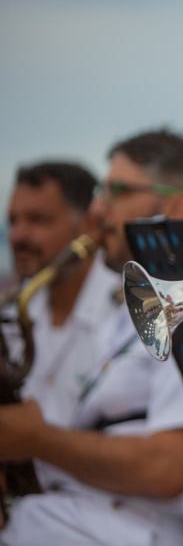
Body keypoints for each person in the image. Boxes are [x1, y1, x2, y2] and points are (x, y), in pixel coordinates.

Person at [0, 128, 183, 546]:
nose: (97, 211)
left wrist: (35, 439)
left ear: (176, 206)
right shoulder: (128, 312)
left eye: (115, 192)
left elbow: (168, 468)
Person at [4, 161, 113, 429]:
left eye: (38, 219)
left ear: (88, 225)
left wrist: (37, 441)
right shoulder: (10, 314)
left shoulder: (128, 312)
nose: (17, 236)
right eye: (12, 221)